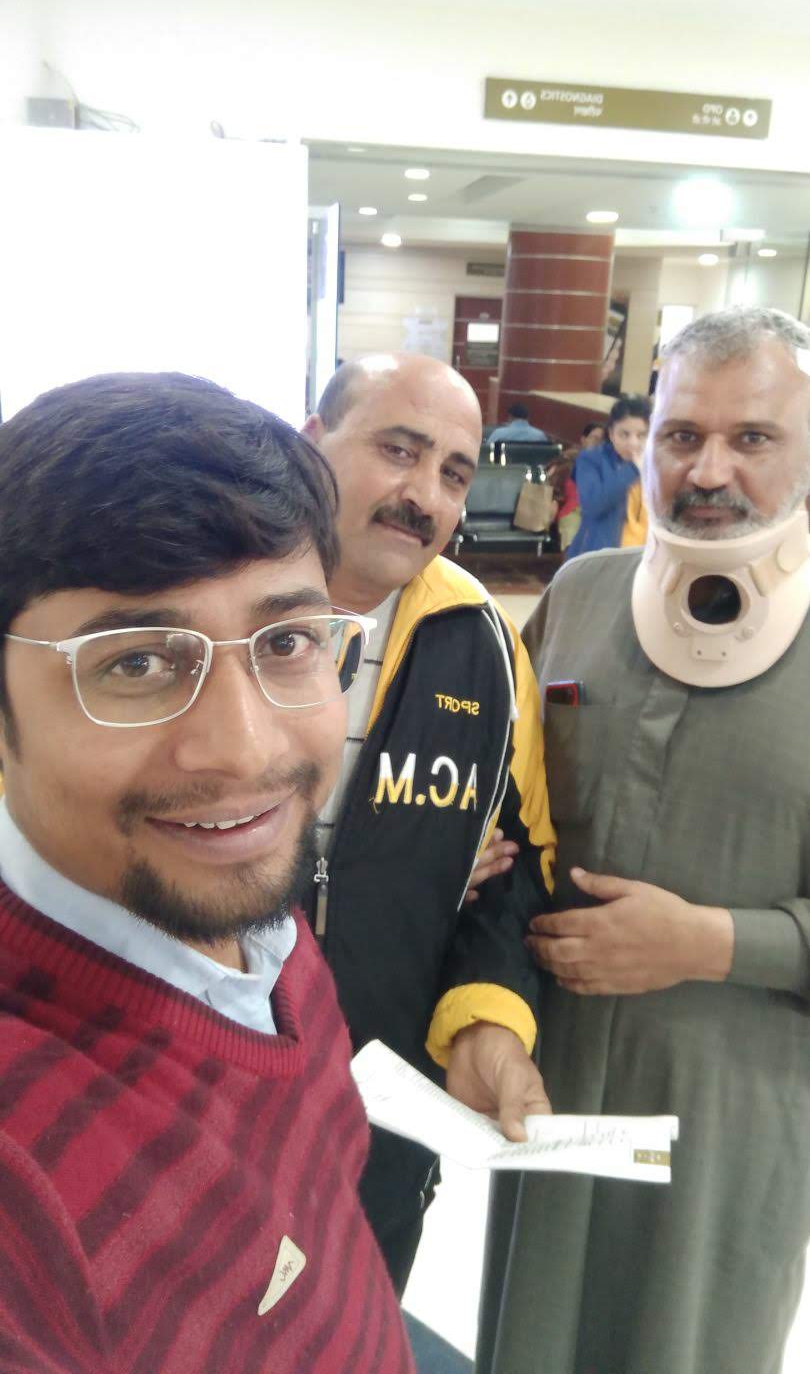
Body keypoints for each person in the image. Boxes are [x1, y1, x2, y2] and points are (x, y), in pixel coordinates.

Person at [0, 372, 416, 1374]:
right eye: (137, 662)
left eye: (287, 641)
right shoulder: (26, 1181)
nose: (242, 750)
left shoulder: (261, 927)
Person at [479, 307, 810, 1374]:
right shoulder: (577, 598)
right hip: (551, 1084)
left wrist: (711, 943)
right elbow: (508, 806)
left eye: (753, 437)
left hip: (735, 1114)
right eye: (682, 436)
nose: (709, 471)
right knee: (528, 1343)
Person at [304, 354, 555, 1295]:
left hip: (384, 1119)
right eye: (398, 451)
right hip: (186, 1098)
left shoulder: (482, 645)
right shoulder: (201, 608)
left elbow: (520, 868)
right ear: (312, 443)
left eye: (453, 472)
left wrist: (487, 1020)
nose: (424, 497)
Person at [566, 393, 651, 558]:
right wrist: (633, 469)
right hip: (602, 557)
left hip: (645, 557)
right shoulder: (591, 459)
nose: (633, 443)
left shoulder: (657, 465)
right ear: (611, 434)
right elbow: (592, 505)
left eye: (641, 435)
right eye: (624, 434)